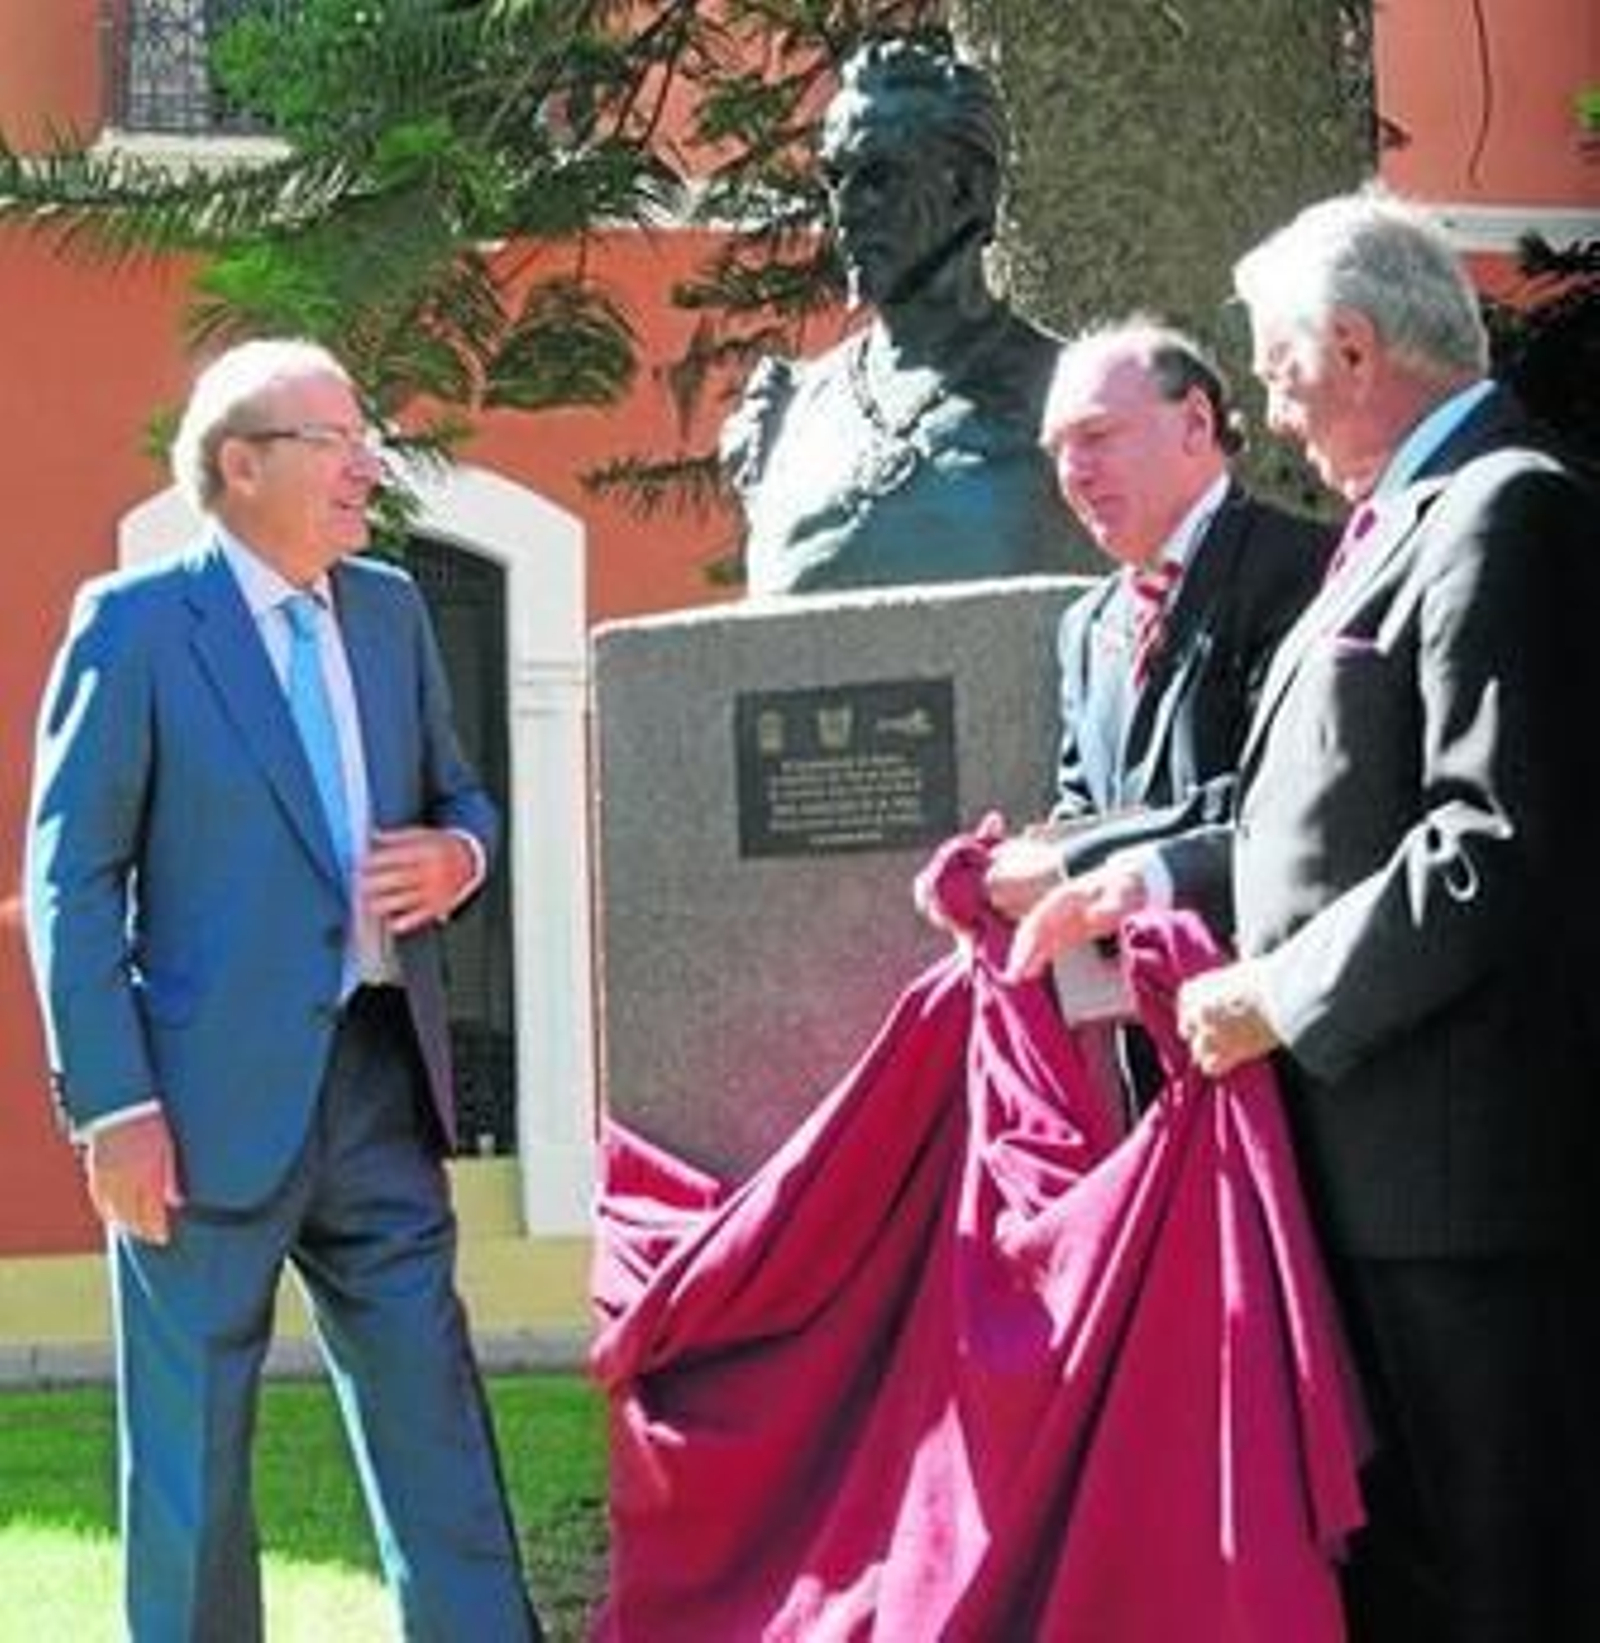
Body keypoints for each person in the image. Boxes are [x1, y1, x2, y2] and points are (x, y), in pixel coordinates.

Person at [1022, 190, 1600, 1640]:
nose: (1273, 416)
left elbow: (1494, 842)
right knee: (1407, 1578)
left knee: (1498, 1577)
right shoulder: (1399, 521)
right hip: (1368, 1172)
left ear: (1350, 348)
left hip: (1465, 1199)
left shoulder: (1506, 508)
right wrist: (1148, 877)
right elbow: (1305, 818)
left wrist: (1276, 992)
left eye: (1276, 373)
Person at [24, 340, 542, 1641]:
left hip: (378, 1083)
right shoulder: (136, 627)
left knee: (440, 1424)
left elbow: (462, 792)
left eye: (362, 432)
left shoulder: (390, 611)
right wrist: (113, 1107)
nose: (367, 461)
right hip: (194, 1113)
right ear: (241, 462)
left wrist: (459, 852)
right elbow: (72, 884)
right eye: (334, 436)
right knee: (193, 1457)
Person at [981, 319, 1332, 1114]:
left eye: (1097, 435)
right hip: (1148, 1060)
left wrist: (1078, 863)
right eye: (1058, 449)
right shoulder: (1087, 625)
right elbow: (1084, 802)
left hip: (1276, 1050)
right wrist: (1010, 871)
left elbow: (1273, 803)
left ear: (1197, 423)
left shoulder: (1305, 570)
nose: (1074, 471)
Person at [722, 35, 1086, 595]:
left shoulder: (1072, 396)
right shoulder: (787, 411)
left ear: (969, 189)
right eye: (835, 180)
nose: (845, 211)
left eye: (878, 177)